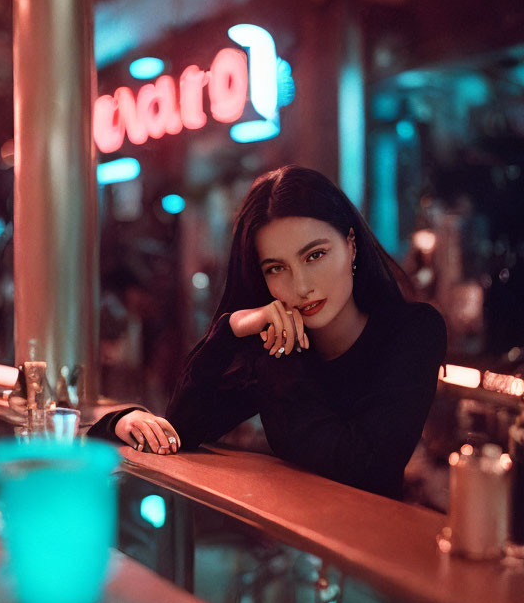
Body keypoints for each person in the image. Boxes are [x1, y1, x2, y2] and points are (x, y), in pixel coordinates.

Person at [88, 165, 447, 499]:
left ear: (351, 245)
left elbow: (366, 468)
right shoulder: (276, 348)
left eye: (315, 255)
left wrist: (280, 373)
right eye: (277, 268)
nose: (301, 285)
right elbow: (185, 426)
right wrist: (229, 329)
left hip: (379, 553)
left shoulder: (413, 331)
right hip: (297, 552)